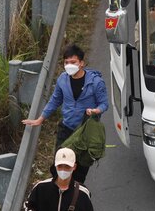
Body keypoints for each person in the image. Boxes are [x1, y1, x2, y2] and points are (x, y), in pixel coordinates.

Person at [22, 44, 108, 183]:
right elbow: (55, 100)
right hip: (66, 129)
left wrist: (96, 110)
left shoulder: (96, 82)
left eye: (73, 62)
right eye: (66, 62)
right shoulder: (62, 79)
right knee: (60, 165)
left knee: (79, 171)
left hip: (84, 132)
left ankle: (77, 195)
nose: (69, 65)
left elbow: (104, 104)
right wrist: (40, 119)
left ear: (81, 63)